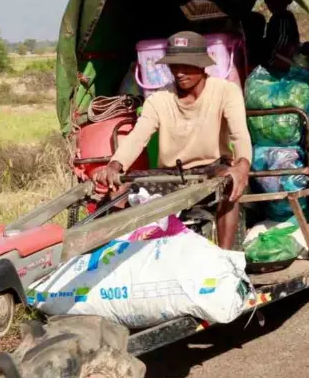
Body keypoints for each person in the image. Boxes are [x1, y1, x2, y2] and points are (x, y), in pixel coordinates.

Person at [94, 31, 252, 250]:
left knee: (229, 181)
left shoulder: (226, 91)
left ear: (202, 65)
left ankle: (224, 256)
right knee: (119, 186)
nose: (179, 72)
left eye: (186, 65)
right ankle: (117, 251)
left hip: (211, 170)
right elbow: (138, 137)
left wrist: (242, 165)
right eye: (174, 65)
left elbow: (240, 134)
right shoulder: (158, 99)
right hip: (170, 175)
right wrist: (115, 165)